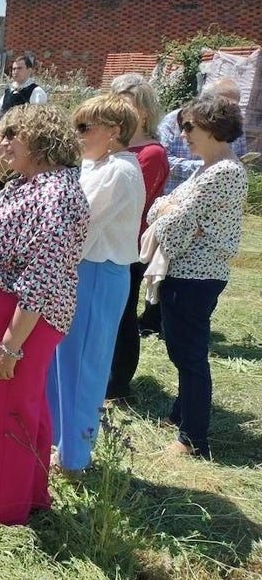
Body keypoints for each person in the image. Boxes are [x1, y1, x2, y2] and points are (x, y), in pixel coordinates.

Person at [0, 105, 89, 525]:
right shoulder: (34, 183)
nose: (4, 139)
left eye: (14, 134)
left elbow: (43, 275)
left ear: (42, 141)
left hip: (18, 318)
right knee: (22, 407)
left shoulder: (56, 194)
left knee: (2, 412)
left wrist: (9, 347)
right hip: (6, 309)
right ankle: (27, 493)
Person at [46, 95, 145, 473]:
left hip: (98, 272)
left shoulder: (119, 171)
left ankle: (75, 458)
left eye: (86, 128)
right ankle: (57, 442)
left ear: (115, 132)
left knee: (84, 366)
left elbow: (79, 224)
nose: (78, 135)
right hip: (81, 269)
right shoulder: (96, 164)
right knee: (62, 362)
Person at [146, 94, 248, 459]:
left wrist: (170, 212)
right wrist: (170, 211)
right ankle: (181, 415)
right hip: (187, 271)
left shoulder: (224, 172)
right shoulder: (207, 168)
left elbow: (171, 226)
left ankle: (193, 438)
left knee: (189, 355)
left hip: (196, 276)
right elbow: (161, 209)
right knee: (180, 350)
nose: (183, 133)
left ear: (212, 127)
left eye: (189, 126)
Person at [105, 74, 169, 401]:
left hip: (130, 245)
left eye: (125, 103)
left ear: (143, 111)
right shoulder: (118, 144)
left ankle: (118, 385)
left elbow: (132, 200)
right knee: (109, 315)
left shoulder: (151, 153)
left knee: (124, 315)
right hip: (109, 241)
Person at [0, 55, 47, 124]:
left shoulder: (36, 92)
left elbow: (37, 120)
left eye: (19, 68)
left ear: (29, 71)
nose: (15, 71)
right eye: (14, 69)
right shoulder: (8, 91)